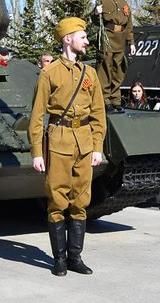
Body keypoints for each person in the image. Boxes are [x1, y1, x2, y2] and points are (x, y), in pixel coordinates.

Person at [28, 17, 106, 276]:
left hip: (84, 142)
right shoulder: (49, 73)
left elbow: (98, 113)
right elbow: (37, 116)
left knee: (81, 200)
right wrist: (37, 152)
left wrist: (97, 146)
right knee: (57, 200)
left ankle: (75, 257)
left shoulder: (90, 73)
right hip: (58, 141)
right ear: (67, 39)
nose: (86, 41)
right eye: (82, 36)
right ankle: (59, 259)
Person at [95, 0, 136, 110]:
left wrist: (131, 42)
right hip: (107, 38)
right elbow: (95, 21)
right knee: (105, 69)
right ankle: (105, 100)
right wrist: (96, 13)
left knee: (118, 70)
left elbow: (129, 24)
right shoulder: (102, 1)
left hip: (120, 39)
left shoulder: (124, 3)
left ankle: (116, 99)